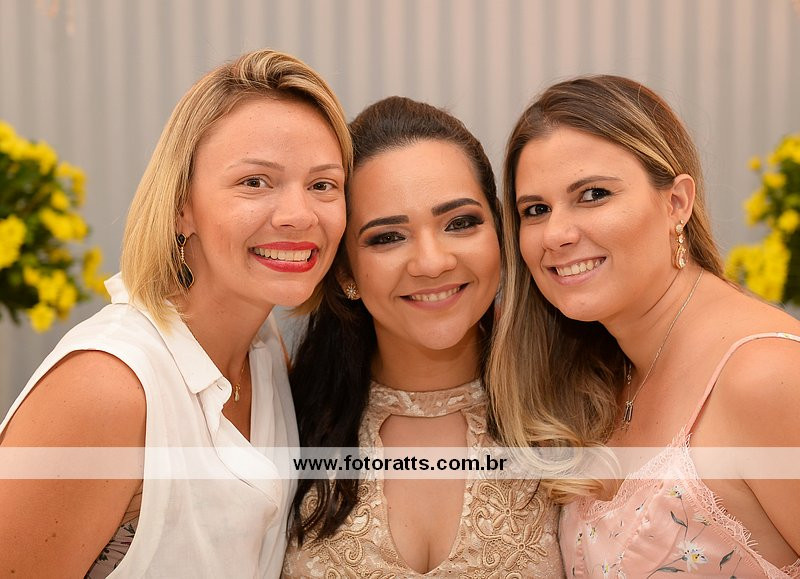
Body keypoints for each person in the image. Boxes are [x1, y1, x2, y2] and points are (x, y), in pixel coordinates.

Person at [0, 49, 352, 577]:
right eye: (255, 182)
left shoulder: (264, 349)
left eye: (323, 185)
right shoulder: (108, 388)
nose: (299, 215)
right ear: (182, 206)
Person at [487, 74, 800, 577]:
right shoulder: (603, 374)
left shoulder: (766, 376)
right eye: (536, 210)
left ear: (677, 202)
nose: (556, 234)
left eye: (593, 194)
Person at [281, 96, 563, 577]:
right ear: (345, 270)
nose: (432, 263)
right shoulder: (282, 417)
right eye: (388, 237)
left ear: (500, 233)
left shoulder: (578, 406)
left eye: (460, 223)